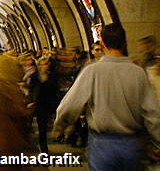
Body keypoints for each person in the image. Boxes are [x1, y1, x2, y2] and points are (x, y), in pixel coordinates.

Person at [54, 23, 160, 171]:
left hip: (102, 144)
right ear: (124, 42)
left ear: (102, 43)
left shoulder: (92, 71)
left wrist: (60, 125)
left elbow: (69, 105)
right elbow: (152, 113)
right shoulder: (138, 73)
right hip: (132, 145)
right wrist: (156, 143)